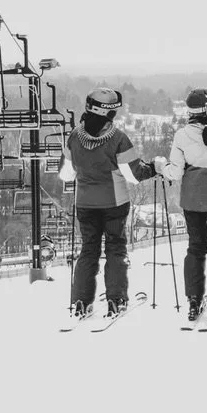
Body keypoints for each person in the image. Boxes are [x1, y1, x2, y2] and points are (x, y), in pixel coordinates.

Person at [60, 88, 157, 318]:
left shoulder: (74, 137)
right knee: (115, 249)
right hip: (114, 203)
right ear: (109, 113)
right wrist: (154, 168)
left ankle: (81, 302)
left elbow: (66, 174)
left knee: (88, 250)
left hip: (84, 203)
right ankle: (116, 300)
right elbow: (134, 175)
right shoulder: (118, 139)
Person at [155, 88, 207, 324]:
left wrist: (159, 166)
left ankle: (194, 301)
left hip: (192, 198)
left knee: (195, 248)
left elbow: (174, 171)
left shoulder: (182, 135)